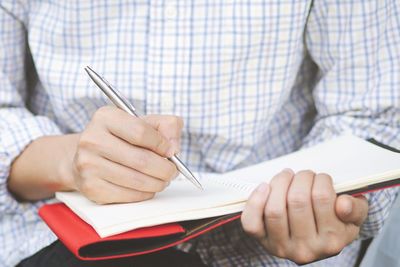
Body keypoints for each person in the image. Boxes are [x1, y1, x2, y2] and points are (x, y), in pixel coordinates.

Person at [1, 1, 399, 266]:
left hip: (264, 250)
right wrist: (69, 163)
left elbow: (375, 113)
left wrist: (327, 205)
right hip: (61, 237)